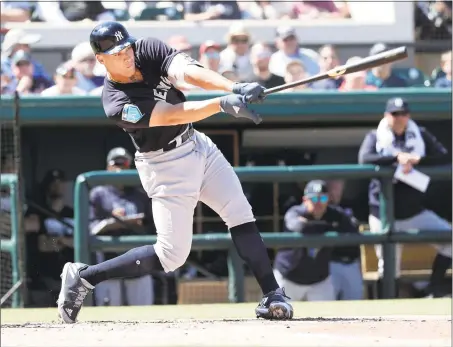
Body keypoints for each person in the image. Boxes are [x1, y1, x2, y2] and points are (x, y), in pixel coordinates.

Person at [57, 21, 293, 324]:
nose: (127, 54)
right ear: (101, 59)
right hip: (165, 164)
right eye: (117, 52)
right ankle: (85, 277)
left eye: (127, 47)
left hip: (198, 144)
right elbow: (170, 115)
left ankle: (273, 293)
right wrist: (222, 103)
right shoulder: (115, 101)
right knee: (172, 255)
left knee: (239, 212)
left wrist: (233, 87)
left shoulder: (147, 49)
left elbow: (188, 72)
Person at [358, 97, 452, 298]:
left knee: (450, 240)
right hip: (382, 212)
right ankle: (386, 308)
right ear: (386, 116)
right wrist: (396, 158)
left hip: (413, 211)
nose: (400, 118)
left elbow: (444, 156)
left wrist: (419, 160)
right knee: (389, 267)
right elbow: (364, 158)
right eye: (395, 114)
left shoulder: (420, 134)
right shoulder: (375, 135)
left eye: (403, 114)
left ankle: (433, 290)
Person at [274, 180, 339, 302]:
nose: (318, 203)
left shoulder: (334, 214)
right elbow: (297, 225)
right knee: (276, 315)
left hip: (319, 280)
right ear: (305, 200)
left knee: (329, 317)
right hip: (288, 277)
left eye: (323, 199)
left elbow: (351, 226)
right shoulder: (295, 211)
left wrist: (312, 226)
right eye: (314, 199)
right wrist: (327, 227)